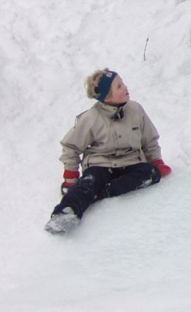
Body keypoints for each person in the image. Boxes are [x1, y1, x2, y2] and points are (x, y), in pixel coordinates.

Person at [45, 69, 172, 234]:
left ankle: (102, 192)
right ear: (106, 97)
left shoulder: (136, 110)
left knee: (151, 173)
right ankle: (65, 214)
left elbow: (150, 139)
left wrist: (156, 161)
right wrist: (70, 177)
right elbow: (71, 146)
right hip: (100, 164)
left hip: (130, 162)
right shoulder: (91, 118)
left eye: (123, 83)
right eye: (119, 86)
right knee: (88, 183)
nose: (125, 87)